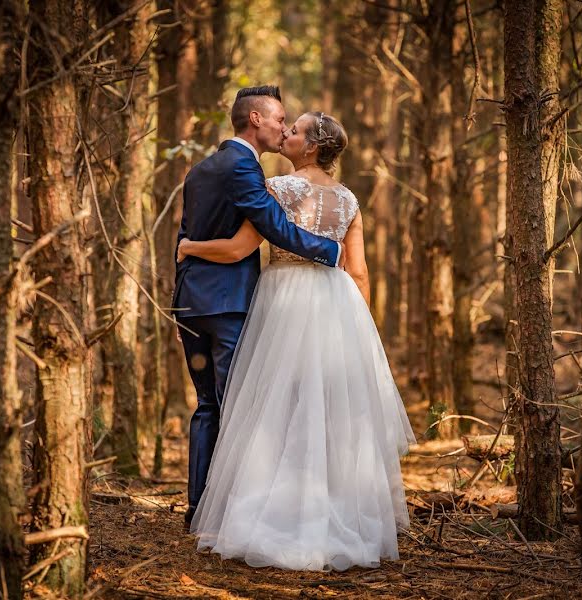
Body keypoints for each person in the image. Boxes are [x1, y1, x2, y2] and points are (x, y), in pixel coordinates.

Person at [179, 111, 416, 571]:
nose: (285, 132)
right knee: (327, 414)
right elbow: (359, 271)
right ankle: (333, 517)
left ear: (310, 147)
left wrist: (190, 246)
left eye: (295, 129)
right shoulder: (348, 199)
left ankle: (277, 518)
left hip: (285, 298)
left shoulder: (279, 189)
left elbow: (237, 249)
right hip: (337, 303)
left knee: (275, 413)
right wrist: (360, 329)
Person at [173, 86, 345, 530]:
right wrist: (330, 251)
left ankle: (199, 511)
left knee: (208, 405)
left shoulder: (199, 170)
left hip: (192, 304)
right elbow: (271, 226)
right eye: (278, 118)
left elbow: (187, 235)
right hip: (229, 305)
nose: (283, 126)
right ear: (255, 119)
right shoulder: (243, 168)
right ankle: (235, 514)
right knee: (238, 407)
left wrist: (188, 250)